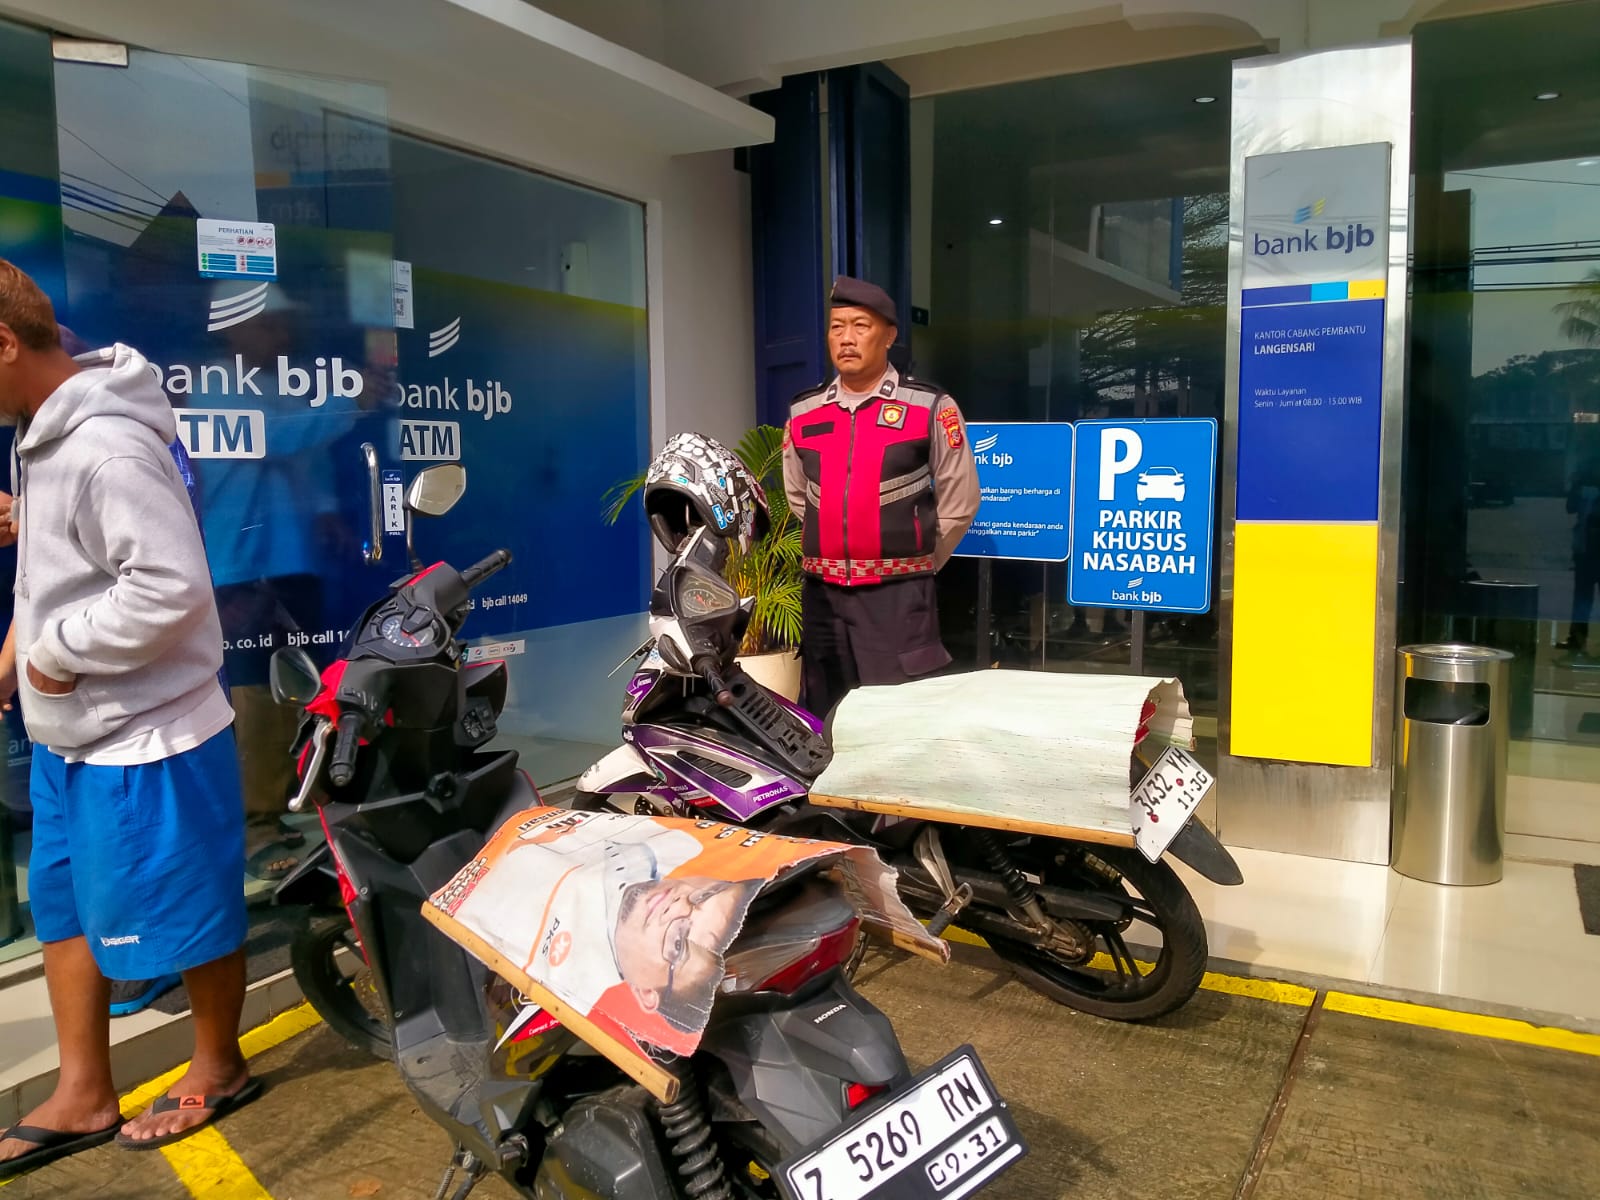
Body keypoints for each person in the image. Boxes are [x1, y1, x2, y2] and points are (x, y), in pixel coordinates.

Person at [0, 261, 258, 1179]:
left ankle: (219, 1065)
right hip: (70, 736)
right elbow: (77, 565)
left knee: (188, 912)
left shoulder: (105, 445)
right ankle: (83, 1090)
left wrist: (53, 652)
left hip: (146, 736)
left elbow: (171, 588)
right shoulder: (40, 431)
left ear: (4, 343)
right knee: (65, 911)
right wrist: (21, 647)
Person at [782, 276, 981, 719]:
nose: (846, 339)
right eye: (837, 327)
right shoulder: (803, 412)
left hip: (898, 598)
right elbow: (798, 496)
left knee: (898, 719)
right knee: (824, 714)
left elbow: (960, 499)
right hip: (822, 598)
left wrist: (918, 562)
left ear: (889, 336)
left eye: (860, 326)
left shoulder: (929, 407)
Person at [1562, 454, 1600, 661]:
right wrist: (1575, 486)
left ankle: (1577, 638)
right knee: (1581, 598)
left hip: (1589, 550)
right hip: (1585, 550)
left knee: (1582, 597)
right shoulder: (1584, 488)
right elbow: (1570, 507)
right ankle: (1576, 638)